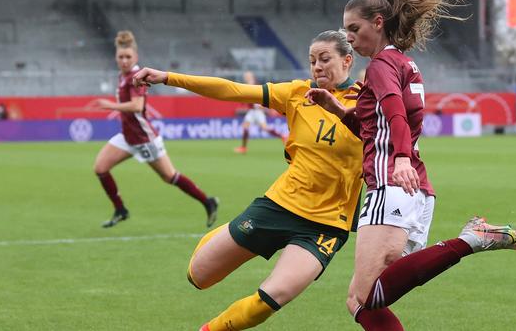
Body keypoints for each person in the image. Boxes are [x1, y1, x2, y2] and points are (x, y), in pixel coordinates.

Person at [305, 0, 516, 330]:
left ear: (378, 23)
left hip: (391, 184)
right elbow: (377, 123)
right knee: (360, 302)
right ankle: (471, 240)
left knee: (366, 297)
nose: (347, 36)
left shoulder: (380, 66)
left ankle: (472, 239)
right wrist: (338, 110)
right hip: (414, 191)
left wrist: (400, 158)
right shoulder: (403, 63)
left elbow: (394, 110)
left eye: (353, 27)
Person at [133, 30, 364, 331]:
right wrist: (167, 77)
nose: (317, 67)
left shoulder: (368, 103)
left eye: (324, 59)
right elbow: (233, 90)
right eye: (312, 61)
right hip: (279, 206)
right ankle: (230, 229)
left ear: (347, 60)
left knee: (272, 297)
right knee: (198, 276)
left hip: (326, 225)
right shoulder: (296, 94)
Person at [93, 30, 218, 229]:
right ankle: (120, 210)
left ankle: (207, 201)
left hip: (143, 138)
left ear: (136, 57)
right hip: (127, 136)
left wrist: (110, 106)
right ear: (116, 57)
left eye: (128, 57)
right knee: (100, 168)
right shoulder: (122, 76)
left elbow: (136, 105)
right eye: (120, 57)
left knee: (169, 176)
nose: (124, 60)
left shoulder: (135, 76)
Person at [234, 70, 287, 154]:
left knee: (264, 128)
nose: (245, 77)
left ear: (251, 76)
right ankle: (243, 147)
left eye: (247, 75)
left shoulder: (251, 85)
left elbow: (255, 98)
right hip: (252, 111)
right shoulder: (250, 84)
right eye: (246, 76)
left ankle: (282, 136)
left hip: (257, 111)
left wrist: (263, 108)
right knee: (245, 126)